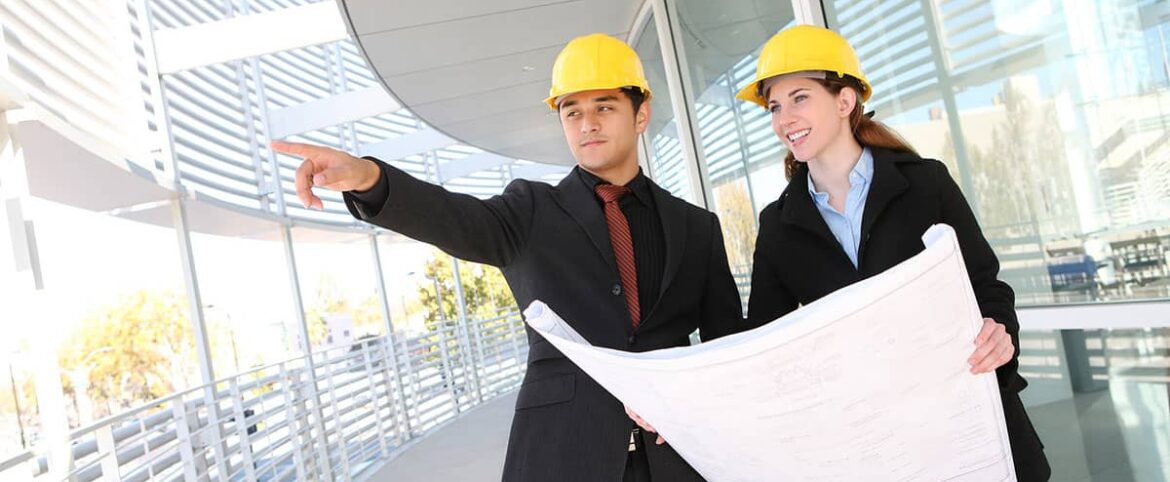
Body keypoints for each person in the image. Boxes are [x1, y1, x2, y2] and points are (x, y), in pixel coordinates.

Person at [272, 33, 741, 482]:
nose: (587, 124)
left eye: (605, 107)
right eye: (571, 111)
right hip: (562, 453)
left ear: (641, 114)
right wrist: (369, 179)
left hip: (679, 457)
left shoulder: (696, 228)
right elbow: (453, 217)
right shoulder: (530, 212)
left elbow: (731, 350)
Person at [737, 25, 1050, 480]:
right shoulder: (777, 225)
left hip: (972, 421)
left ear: (845, 102)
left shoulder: (926, 184)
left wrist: (1000, 332)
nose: (785, 119)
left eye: (800, 98)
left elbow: (985, 283)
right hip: (879, 444)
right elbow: (768, 340)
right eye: (774, 107)